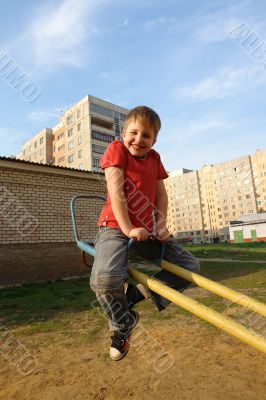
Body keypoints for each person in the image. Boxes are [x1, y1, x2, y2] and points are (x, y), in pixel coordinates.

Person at [90, 106, 200, 361]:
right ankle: (122, 324)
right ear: (123, 132)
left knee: (189, 265)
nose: (139, 139)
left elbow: (161, 194)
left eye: (146, 135)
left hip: (146, 232)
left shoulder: (154, 158)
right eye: (134, 132)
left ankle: (137, 294)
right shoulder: (117, 150)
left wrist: (160, 225)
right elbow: (116, 191)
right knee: (105, 280)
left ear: (154, 140)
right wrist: (128, 228)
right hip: (115, 228)